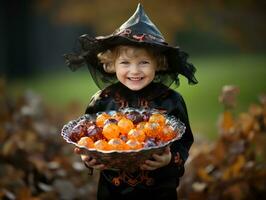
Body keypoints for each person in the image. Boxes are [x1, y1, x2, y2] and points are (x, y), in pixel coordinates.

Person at [64, 3, 198, 200]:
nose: (134, 71)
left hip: (159, 191)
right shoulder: (102, 100)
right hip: (113, 192)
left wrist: (170, 159)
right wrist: (88, 157)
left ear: (157, 63)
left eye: (143, 62)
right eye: (125, 63)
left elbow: (184, 142)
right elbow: (90, 137)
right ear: (111, 64)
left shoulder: (171, 101)